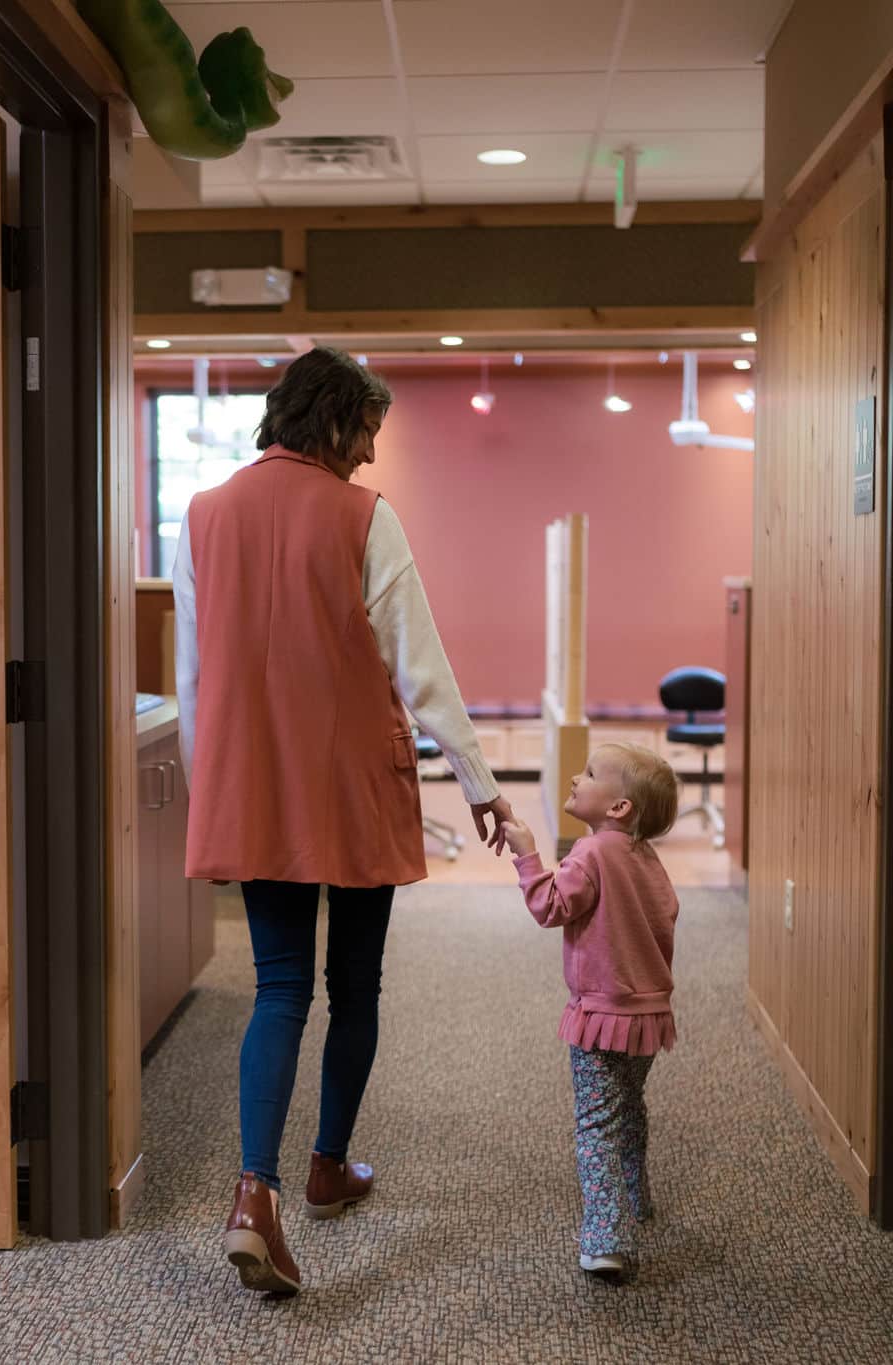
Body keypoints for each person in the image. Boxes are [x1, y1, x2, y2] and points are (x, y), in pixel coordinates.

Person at [173, 347, 514, 1294]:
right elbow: (421, 665)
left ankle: (255, 1193)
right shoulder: (365, 516)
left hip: (255, 781)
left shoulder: (200, 516)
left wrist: (216, 789)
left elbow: (197, 677)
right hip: (355, 778)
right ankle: (326, 1164)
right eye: (366, 431)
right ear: (331, 421)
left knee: (278, 986)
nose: (370, 454)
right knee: (353, 985)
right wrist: (481, 782)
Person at [496, 742, 679, 1279]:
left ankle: (604, 1239)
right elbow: (668, 914)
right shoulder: (649, 860)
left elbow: (549, 907)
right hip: (649, 1015)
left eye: (591, 773)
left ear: (618, 808)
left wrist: (528, 855)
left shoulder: (592, 853)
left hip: (601, 1016)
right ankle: (636, 1199)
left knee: (596, 1123)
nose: (577, 776)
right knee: (629, 1107)